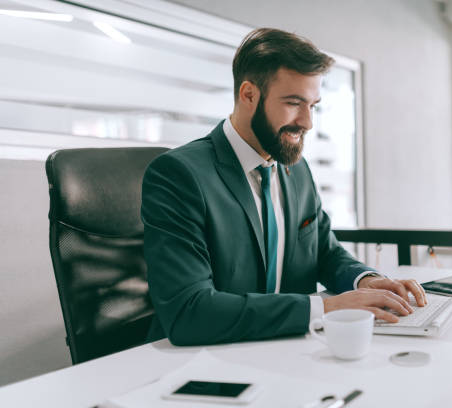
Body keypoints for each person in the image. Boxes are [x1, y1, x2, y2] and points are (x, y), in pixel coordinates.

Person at [141, 27, 427, 345]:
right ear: (248, 95)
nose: (307, 122)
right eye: (294, 103)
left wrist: (365, 280)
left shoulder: (295, 168)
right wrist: (327, 307)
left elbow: (323, 251)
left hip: (287, 350)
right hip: (203, 363)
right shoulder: (179, 175)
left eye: (313, 105)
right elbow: (188, 312)